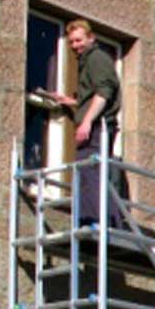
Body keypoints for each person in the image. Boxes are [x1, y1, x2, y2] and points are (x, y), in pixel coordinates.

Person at [47, 20, 122, 226]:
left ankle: (99, 223)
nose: (75, 45)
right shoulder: (88, 60)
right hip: (97, 127)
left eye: (79, 40)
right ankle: (97, 221)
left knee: (91, 174)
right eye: (71, 42)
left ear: (91, 38)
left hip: (98, 129)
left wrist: (86, 122)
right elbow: (93, 96)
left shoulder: (97, 58)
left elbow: (104, 93)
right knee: (89, 174)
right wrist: (70, 101)